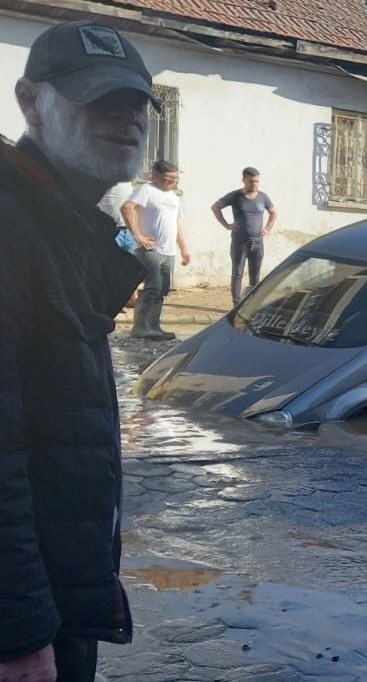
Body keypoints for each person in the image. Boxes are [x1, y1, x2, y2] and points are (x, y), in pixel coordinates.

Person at [0, 20, 153, 682]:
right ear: (32, 102)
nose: (126, 117)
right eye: (97, 97)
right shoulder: (11, 229)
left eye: (138, 102)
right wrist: (19, 631)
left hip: (57, 605)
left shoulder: (65, 227)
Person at [123, 160, 189, 340]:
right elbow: (128, 208)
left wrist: (184, 248)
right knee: (154, 287)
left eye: (175, 178)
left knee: (163, 289)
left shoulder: (174, 197)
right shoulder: (147, 190)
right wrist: (138, 236)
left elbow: (177, 224)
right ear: (156, 176)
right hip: (150, 249)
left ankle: (153, 326)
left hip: (169, 251)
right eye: (168, 178)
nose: (172, 181)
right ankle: (140, 327)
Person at [212, 167, 277, 305]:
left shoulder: (263, 197)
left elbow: (273, 212)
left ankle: (252, 304)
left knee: (255, 275)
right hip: (240, 242)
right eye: (251, 181)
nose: (254, 184)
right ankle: (236, 303)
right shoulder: (235, 196)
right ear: (244, 180)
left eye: (257, 181)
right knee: (237, 274)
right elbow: (215, 207)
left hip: (257, 242)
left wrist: (267, 228)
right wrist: (227, 225)